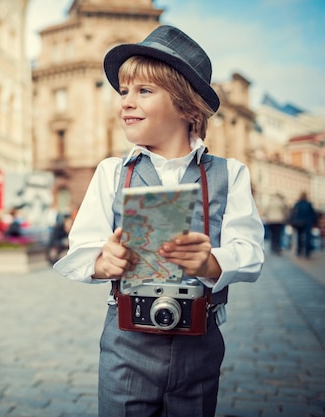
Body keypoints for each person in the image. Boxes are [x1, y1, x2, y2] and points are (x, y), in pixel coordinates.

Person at [53, 25, 264, 417]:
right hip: (125, 347)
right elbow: (81, 249)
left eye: (143, 91)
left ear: (186, 106)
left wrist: (211, 263)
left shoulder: (229, 173)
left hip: (199, 347)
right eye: (123, 92)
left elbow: (250, 253)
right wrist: (103, 262)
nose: (126, 103)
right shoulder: (112, 171)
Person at [288, 191, 317, 258]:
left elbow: (293, 213)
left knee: (299, 236)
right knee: (307, 237)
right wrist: (313, 221)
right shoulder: (308, 204)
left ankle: (299, 251)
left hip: (299, 222)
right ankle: (307, 253)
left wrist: (292, 220)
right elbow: (313, 214)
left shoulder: (298, 204)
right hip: (307, 223)